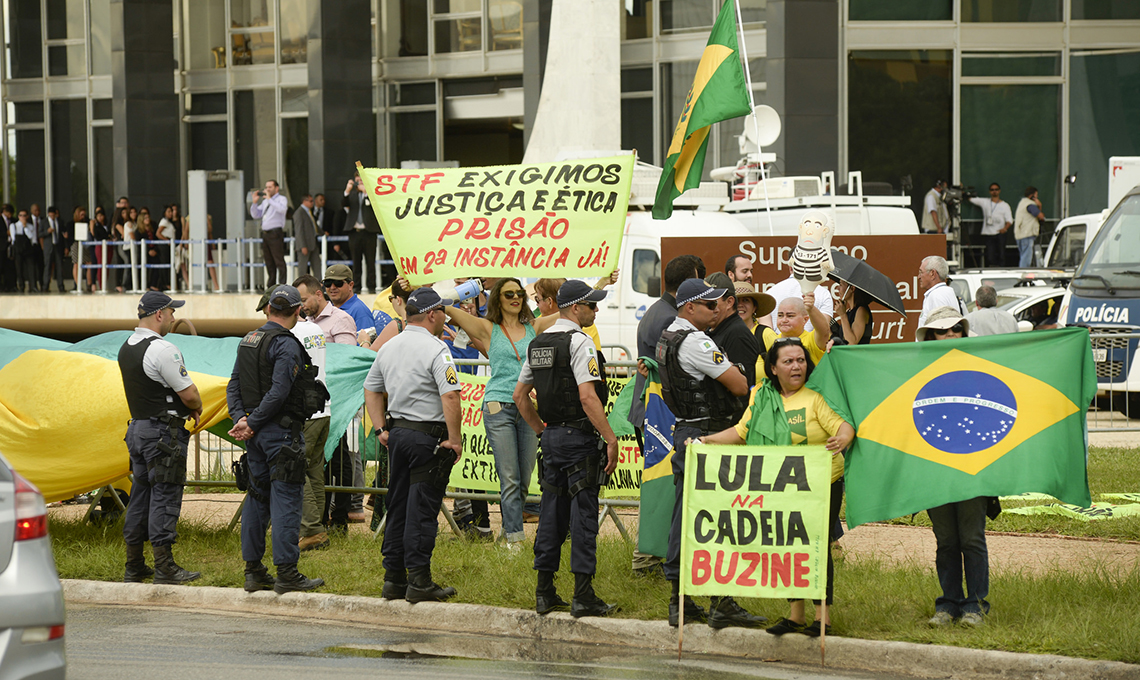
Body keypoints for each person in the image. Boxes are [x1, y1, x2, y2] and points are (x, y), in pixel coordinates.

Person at [702, 336, 855, 636]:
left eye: (801, 360)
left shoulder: (816, 396)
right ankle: (795, 616)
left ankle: (822, 619)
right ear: (773, 368)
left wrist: (845, 438)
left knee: (815, 549)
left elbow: (843, 425)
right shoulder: (761, 397)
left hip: (821, 487)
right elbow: (741, 432)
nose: (796, 366)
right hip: (781, 488)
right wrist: (706, 441)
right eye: (788, 361)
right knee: (787, 549)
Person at [657, 278, 760, 629]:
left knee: (685, 519)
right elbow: (739, 384)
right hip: (708, 435)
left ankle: (680, 600)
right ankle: (721, 602)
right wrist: (737, 369)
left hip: (687, 430)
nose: (717, 309)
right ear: (690, 307)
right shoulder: (697, 342)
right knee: (718, 520)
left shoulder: (668, 335)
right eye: (709, 304)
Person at [513, 280, 619, 618]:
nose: (596, 310)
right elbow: (588, 397)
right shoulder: (580, 342)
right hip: (579, 441)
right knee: (583, 517)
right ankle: (583, 595)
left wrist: (541, 431)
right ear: (575, 308)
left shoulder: (539, 342)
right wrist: (611, 438)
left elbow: (519, 396)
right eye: (592, 305)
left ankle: (544, 592)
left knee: (550, 517)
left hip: (553, 441)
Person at [364, 287, 462, 603]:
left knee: (399, 507)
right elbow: (450, 396)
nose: (445, 317)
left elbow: (371, 389)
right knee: (421, 510)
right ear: (433, 314)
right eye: (443, 312)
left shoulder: (389, 346)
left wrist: (380, 428)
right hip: (427, 439)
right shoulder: (436, 349)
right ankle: (419, 581)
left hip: (398, 436)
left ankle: (393, 578)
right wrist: (454, 438)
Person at [226, 285, 326, 594]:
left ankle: (253, 571)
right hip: (279, 434)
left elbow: (233, 385)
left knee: (256, 501)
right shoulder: (286, 345)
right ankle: (287, 572)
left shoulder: (248, 341)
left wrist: (241, 420)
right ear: (298, 311)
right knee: (286, 502)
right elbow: (280, 392)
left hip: (254, 435)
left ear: (268, 309)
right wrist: (252, 423)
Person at [445, 278, 558, 547]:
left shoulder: (535, 326)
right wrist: (471, 286)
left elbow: (570, 310)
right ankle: (515, 542)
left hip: (529, 410)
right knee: (509, 477)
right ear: (497, 298)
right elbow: (445, 305)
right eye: (509, 294)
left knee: (522, 479)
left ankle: (507, 535)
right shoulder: (487, 328)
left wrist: (602, 282)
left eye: (520, 293)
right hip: (499, 407)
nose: (516, 297)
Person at [117, 291, 203, 585]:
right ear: (158, 315)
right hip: (163, 433)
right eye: (171, 312)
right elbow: (189, 393)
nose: (173, 317)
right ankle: (165, 567)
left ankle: (134, 565)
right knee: (165, 495)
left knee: (141, 497)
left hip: (138, 429)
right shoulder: (163, 349)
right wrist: (197, 406)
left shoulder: (127, 346)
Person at [916, 306, 990, 627]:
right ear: (930, 336)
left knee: (971, 538)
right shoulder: (917, 376)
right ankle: (947, 605)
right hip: (934, 470)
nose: (949, 336)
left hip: (973, 468)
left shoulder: (983, 372)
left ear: (963, 332)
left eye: (955, 330)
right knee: (946, 540)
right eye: (942, 331)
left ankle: (974, 606)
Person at [248, 285, 333, 554]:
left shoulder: (288, 334)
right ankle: (316, 526)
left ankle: (312, 530)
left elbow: (280, 384)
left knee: (295, 471)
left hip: (300, 413)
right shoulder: (315, 330)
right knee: (314, 472)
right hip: (323, 409)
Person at [706, 272, 761, 387]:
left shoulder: (738, 335)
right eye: (704, 302)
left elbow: (743, 388)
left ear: (729, 302)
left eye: (712, 302)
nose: (707, 308)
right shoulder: (713, 329)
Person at [343, 173, 382, 294]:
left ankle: (371, 287)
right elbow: (343, 204)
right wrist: (347, 191)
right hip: (355, 232)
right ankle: (356, 287)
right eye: (357, 181)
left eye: (361, 181)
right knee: (356, 261)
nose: (359, 183)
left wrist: (366, 193)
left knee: (370, 261)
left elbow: (374, 207)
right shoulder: (352, 195)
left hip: (369, 232)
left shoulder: (372, 194)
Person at [295, 274, 357, 346]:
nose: (301, 306)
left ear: (319, 295)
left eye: (304, 300)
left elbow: (347, 354)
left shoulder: (341, 319)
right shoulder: (308, 320)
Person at [762, 272, 834, 332]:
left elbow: (766, 333)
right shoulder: (823, 293)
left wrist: (811, 309)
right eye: (780, 315)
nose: (784, 320)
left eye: (790, 316)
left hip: (778, 346)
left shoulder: (769, 293)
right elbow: (822, 332)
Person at [250, 180, 289, 287]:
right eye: (266, 187)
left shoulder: (281, 199)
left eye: (270, 187)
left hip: (275, 233)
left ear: (276, 188)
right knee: (269, 261)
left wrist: (270, 199)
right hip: (266, 234)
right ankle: (271, 286)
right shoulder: (265, 201)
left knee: (279, 260)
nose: (267, 189)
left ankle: (282, 285)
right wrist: (254, 203)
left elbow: (282, 209)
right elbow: (256, 215)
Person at [969, 182, 1013, 268]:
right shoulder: (985, 202)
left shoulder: (1005, 205)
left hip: (1000, 233)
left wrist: (1005, 228)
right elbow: (971, 199)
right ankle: (991, 269)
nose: (994, 192)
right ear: (989, 192)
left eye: (996, 190)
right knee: (990, 255)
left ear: (999, 191)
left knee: (1001, 254)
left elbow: (1009, 220)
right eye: (992, 190)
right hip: (988, 233)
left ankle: (1002, 270)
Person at [916, 255, 963, 332]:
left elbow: (941, 330)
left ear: (932, 273)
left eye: (921, 272)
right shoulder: (944, 292)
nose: (919, 277)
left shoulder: (937, 295)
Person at [323, 263, 373, 334]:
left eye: (338, 283)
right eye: (328, 283)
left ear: (350, 285)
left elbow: (366, 343)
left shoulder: (360, 312)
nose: (332, 287)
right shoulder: (328, 308)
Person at [832, 281, 874, 345]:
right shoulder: (848, 311)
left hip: (858, 354)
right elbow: (843, 338)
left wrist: (843, 315)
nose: (838, 288)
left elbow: (851, 342)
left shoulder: (861, 311)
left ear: (852, 288)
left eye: (841, 285)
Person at [1014, 187, 1045, 268]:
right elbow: (1041, 216)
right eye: (1036, 195)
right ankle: (1023, 274)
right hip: (1027, 235)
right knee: (1026, 259)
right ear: (1032, 196)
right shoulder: (1030, 204)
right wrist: (1040, 205)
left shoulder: (1022, 203)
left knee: (1023, 256)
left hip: (1020, 235)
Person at [293, 194, 322, 276]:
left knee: (317, 265)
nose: (313, 203)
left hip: (313, 243)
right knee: (303, 267)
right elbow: (299, 231)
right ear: (304, 201)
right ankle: (301, 286)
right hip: (305, 245)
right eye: (311, 201)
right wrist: (303, 246)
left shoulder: (308, 212)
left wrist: (322, 232)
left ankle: (318, 283)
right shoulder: (299, 213)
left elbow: (313, 225)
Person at [10, 209, 37, 294]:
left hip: (28, 249)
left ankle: (33, 286)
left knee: (31, 268)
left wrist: (25, 227)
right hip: (18, 249)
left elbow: (31, 237)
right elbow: (13, 238)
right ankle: (21, 286)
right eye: (21, 215)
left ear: (27, 216)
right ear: (18, 216)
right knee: (19, 269)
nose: (23, 217)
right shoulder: (14, 225)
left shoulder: (30, 226)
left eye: (24, 215)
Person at [40, 206, 66, 293]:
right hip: (48, 247)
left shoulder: (60, 221)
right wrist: (47, 232)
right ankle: (45, 286)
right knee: (47, 266)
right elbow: (40, 234)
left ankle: (61, 286)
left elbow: (63, 234)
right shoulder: (44, 222)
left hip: (57, 246)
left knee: (59, 267)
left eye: (53, 215)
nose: (52, 217)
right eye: (50, 215)